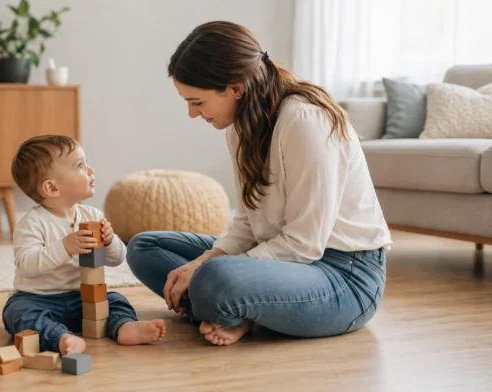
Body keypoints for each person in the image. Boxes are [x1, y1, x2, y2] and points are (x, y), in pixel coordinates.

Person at [126, 21, 392, 346]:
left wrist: (207, 269)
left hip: (343, 275)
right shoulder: (239, 127)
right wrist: (200, 261)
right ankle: (238, 309)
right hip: (279, 257)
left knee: (216, 277)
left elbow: (304, 243)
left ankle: (235, 307)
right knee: (144, 247)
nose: (192, 114)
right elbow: (247, 223)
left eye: (197, 102)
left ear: (236, 88)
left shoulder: (306, 122)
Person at [3, 135, 166, 355]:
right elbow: (27, 266)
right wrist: (65, 247)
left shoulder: (92, 215)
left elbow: (117, 259)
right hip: (39, 299)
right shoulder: (31, 223)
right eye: (80, 166)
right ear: (51, 188)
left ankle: (124, 326)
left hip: (84, 297)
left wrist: (110, 241)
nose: (91, 170)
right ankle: (60, 338)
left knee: (116, 299)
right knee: (17, 312)